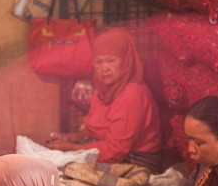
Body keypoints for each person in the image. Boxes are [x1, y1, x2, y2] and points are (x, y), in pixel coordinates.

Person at [46, 27, 163, 173]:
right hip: (109, 152)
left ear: (126, 61)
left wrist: (71, 149)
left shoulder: (132, 94)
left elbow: (116, 151)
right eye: (98, 62)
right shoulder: (102, 89)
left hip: (136, 160)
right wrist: (69, 138)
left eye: (111, 61)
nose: (104, 68)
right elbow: (91, 131)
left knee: (64, 171)